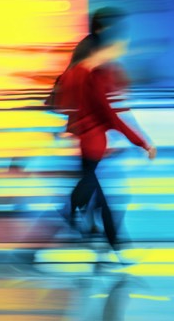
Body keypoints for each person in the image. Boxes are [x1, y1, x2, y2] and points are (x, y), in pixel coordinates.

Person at [57, 20, 157, 252]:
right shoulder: (89, 77)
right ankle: (110, 242)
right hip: (95, 145)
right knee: (102, 199)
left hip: (89, 144)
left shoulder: (74, 74)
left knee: (98, 198)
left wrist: (70, 130)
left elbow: (69, 107)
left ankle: (99, 236)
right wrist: (142, 143)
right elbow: (109, 115)